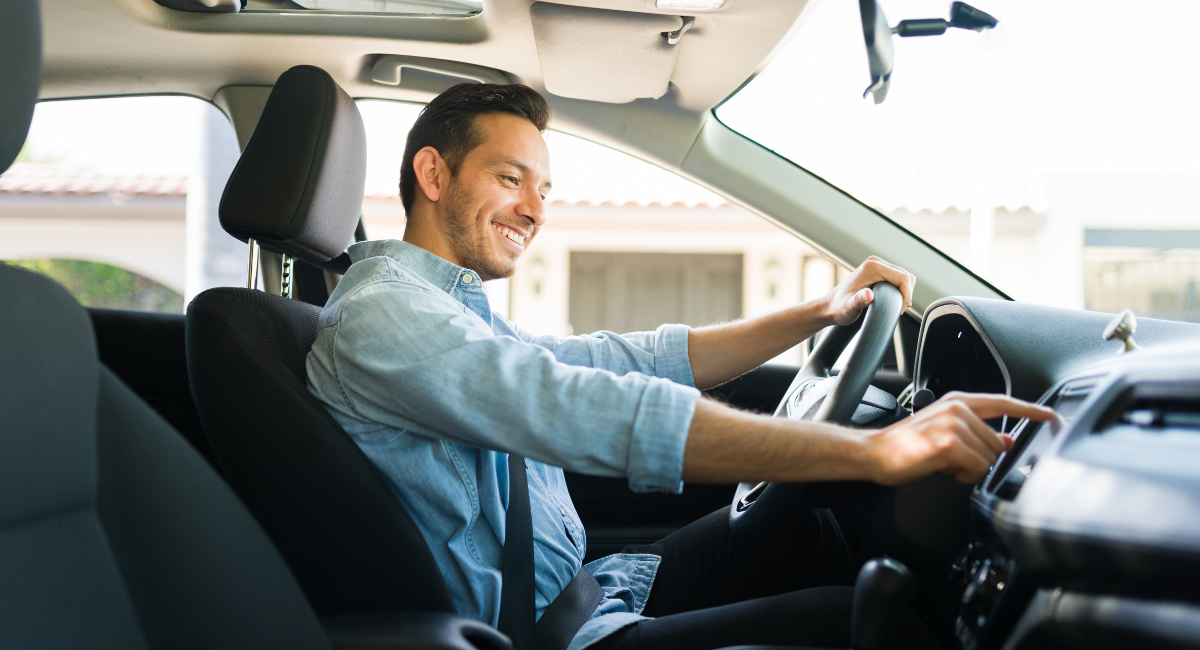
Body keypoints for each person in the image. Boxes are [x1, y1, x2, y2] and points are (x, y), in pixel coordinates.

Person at [306, 83, 1052, 650]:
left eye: (544, 189)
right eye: (510, 179)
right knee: (864, 624)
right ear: (433, 174)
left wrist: (818, 312)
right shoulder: (385, 316)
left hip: (591, 589)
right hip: (550, 635)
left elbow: (616, 361)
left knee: (811, 534)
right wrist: (876, 447)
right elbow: (582, 406)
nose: (535, 210)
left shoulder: (450, 310)